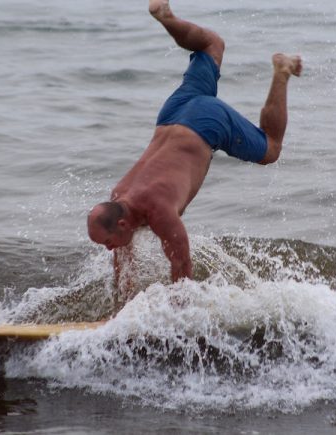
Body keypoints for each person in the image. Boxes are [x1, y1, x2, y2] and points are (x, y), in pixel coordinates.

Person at [87, 0, 302, 285]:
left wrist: (177, 324)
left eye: (108, 243)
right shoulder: (119, 200)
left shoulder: (159, 210)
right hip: (173, 113)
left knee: (271, 148)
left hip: (205, 122)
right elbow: (123, 268)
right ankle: (166, 18)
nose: (109, 248)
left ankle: (282, 70)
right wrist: (120, 315)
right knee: (212, 44)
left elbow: (182, 265)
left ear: (123, 224)